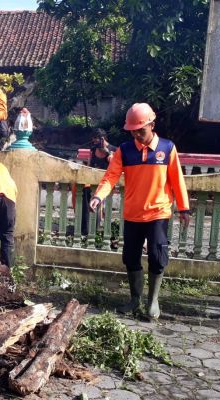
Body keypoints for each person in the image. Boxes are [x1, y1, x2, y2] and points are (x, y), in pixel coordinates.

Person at [89, 103, 190, 319]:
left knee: (156, 255)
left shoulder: (167, 148)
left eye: (140, 130)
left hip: (158, 213)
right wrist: (98, 196)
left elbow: (177, 180)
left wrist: (184, 208)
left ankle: (152, 301)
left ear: (152, 125)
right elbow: (111, 176)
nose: (136, 134)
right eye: (133, 131)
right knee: (130, 257)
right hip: (133, 213)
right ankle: (135, 300)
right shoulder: (124, 151)